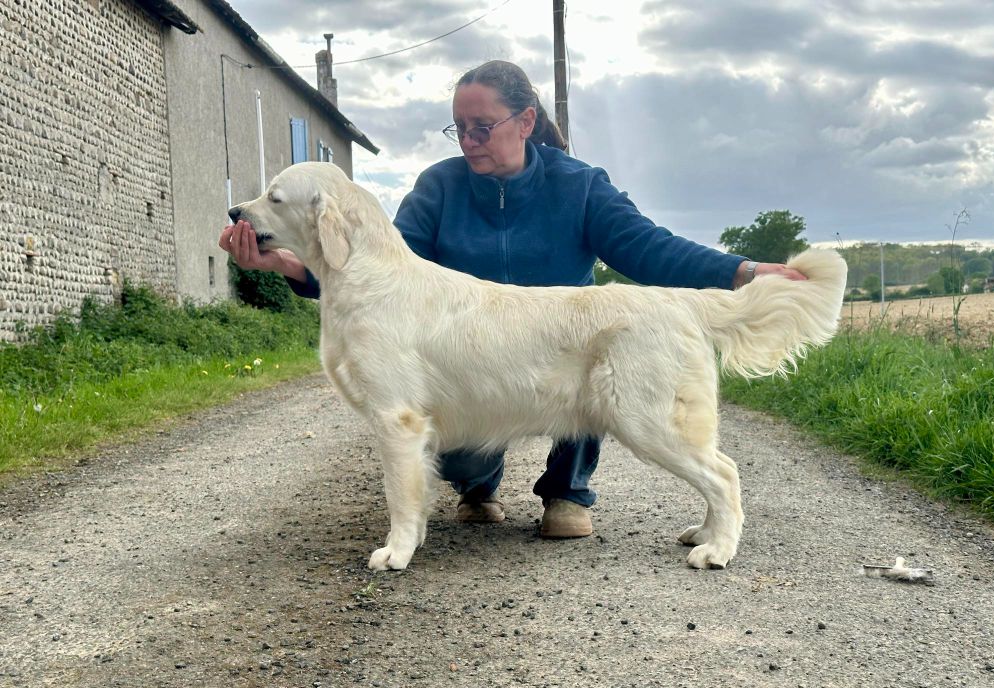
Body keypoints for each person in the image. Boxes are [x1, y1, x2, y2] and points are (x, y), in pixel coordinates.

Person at [219, 60, 807, 540]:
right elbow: (373, 275)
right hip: (474, 355)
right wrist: (286, 265)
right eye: (460, 129)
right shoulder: (438, 188)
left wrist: (745, 272)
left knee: (611, 396)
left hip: (570, 343)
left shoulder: (579, 185)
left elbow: (648, 248)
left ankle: (568, 494)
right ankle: (478, 486)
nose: (469, 141)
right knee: (458, 441)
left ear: (525, 122)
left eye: (483, 127)